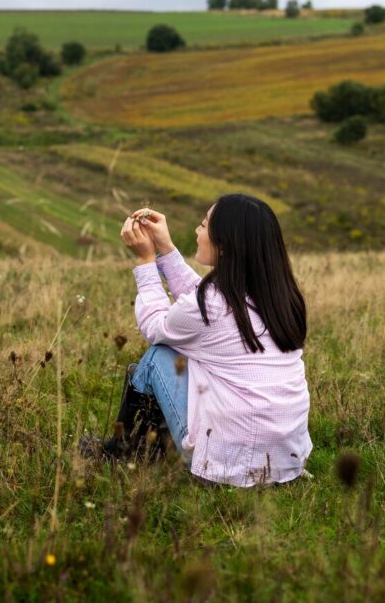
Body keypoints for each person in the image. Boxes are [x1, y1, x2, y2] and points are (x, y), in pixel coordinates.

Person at [86, 194, 312, 487]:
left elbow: (156, 326)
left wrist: (146, 261)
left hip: (227, 467)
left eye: (204, 225)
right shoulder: (280, 297)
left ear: (225, 244)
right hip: (286, 462)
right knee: (189, 361)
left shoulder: (210, 304)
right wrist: (166, 250)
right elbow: (201, 302)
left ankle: (124, 452)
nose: (197, 231)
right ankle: (149, 448)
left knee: (158, 356)